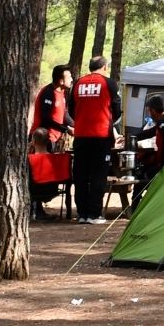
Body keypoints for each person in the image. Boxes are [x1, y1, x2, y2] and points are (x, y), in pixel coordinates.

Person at [71, 57, 117, 225]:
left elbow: (71, 108)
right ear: (105, 67)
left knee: (81, 175)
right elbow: (117, 108)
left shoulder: (77, 83)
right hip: (101, 136)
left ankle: (82, 213)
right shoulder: (109, 83)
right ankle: (94, 214)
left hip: (81, 135)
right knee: (99, 174)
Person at [32, 64, 74, 154]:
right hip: (42, 140)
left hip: (53, 139)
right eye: (69, 77)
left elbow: (64, 114)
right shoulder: (48, 93)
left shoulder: (61, 92)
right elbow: (46, 119)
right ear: (61, 81)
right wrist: (66, 129)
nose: (72, 79)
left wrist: (76, 126)